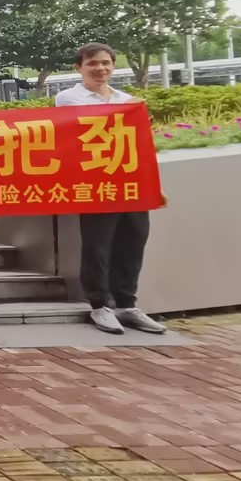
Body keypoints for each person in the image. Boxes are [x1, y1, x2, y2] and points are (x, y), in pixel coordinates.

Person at [56, 43, 166, 335]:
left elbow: (140, 146)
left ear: (113, 66)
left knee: (133, 243)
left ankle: (127, 304)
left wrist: (153, 186)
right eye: (92, 63)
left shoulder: (127, 100)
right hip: (94, 183)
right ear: (79, 67)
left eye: (106, 63)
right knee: (98, 245)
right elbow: (85, 129)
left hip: (131, 184)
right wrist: (129, 113)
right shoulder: (69, 98)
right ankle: (100, 305)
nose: (100, 68)